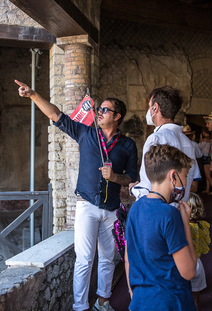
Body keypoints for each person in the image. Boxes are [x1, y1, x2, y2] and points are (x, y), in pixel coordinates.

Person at [15, 80, 138, 311]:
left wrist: (116, 177)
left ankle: (103, 301)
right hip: (87, 206)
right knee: (84, 259)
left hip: (111, 209)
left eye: (105, 110)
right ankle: (80, 307)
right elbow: (56, 115)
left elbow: (131, 178)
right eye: (99, 109)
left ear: (117, 116)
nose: (99, 113)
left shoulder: (128, 145)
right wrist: (33, 94)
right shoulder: (86, 134)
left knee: (107, 259)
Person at [125, 144, 197, 311]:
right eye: (185, 175)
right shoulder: (169, 215)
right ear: (173, 176)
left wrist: (133, 293)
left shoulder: (135, 208)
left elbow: (128, 258)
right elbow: (189, 271)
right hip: (171, 302)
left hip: (141, 302)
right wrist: (185, 221)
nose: (185, 182)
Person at [130, 86, 200, 203]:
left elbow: (148, 186)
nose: (149, 111)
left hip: (159, 210)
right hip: (179, 208)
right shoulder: (188, 142)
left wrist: (134, 189)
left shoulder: (155, 139)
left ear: (155, 108)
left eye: (149, 106)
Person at [187, 193, 210, 311]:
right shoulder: (203, 226)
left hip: (185, 263)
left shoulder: (183, 227)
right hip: (198, 264)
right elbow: (205, 248)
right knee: (196, 298)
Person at [183, 125, 202, 193]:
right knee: (194, 187)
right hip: (193, 164)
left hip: (182, 165)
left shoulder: (179, 142)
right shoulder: (194, 144)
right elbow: (199, 155)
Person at [198, 128, 212, 195]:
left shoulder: (205, 139)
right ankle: (207, 189)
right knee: (208, 175)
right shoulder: (210, 139)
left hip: (205, 158)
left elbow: (199, 147)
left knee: (207, 175)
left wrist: (200, 139)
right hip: (209, 157)